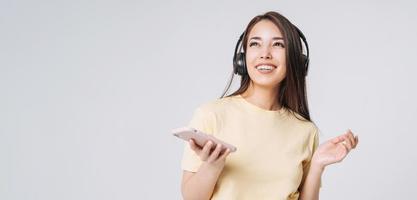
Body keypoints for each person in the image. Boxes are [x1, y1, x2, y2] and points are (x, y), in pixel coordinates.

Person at [180, 11, 359, 200]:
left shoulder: (305, 131)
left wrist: (317, 166)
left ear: (296, 60)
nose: (265, 54)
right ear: (242, 58)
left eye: (278, 44)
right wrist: (212, 166)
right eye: (255, 44)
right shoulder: (211, 115)